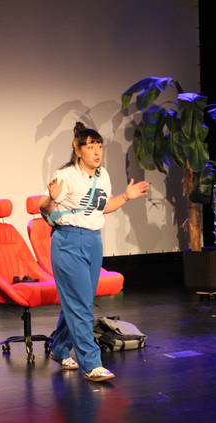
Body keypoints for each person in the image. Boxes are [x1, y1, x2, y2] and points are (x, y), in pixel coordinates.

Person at [40, 121, 149, 382]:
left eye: (99, 146)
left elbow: (102, 207)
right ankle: (91, 364)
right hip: (68, 241)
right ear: (78, 151)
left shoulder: (103, 175)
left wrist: (125, 197)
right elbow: (44, 208)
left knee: (80, 303)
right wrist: (52, 198)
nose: (97, 151)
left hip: (93, 241)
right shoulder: (66, 175)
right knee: (81, 307)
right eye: (90, 146)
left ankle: (59, 348)